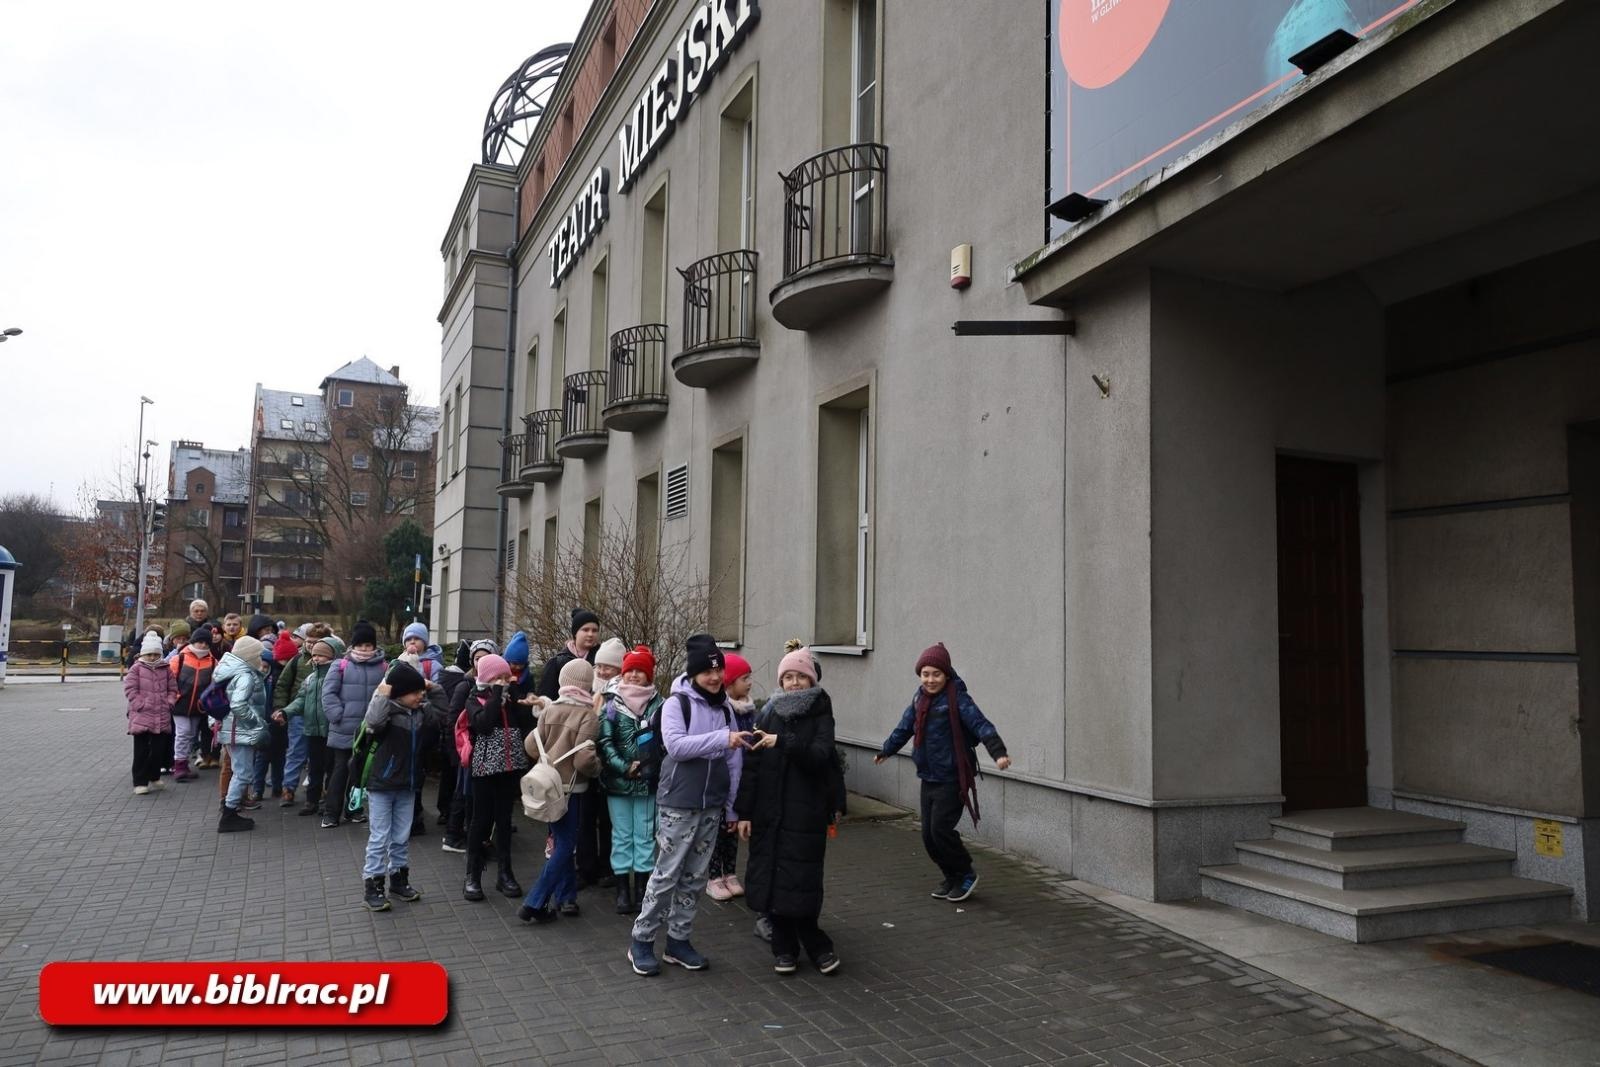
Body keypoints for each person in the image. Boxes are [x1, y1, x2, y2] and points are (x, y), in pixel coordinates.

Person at [627, 634, 746, 978]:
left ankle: (678, 942)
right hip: (679, 802)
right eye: (707, 671)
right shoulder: (676, 704)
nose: (714, 677)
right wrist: (722, 738)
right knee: (666, 874)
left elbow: (734, 760)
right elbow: (677, 746)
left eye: (718, 671)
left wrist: (733, 806)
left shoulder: (725, 707)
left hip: (711, 805)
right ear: (693, 673)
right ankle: (642, 941)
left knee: (695, 878)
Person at [874, 642, 1011, 902]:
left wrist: (999, 753)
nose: (930, 679)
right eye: (925, 674)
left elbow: (981, 725)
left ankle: (966, 874)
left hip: (952, 777)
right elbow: (905, 727)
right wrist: (886, 750)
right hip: (928, 775)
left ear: (946, 674)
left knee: (940, 830)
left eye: (936, 674)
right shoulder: (919, 699)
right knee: (928, 835)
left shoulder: (957, 698)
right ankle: (952, 876)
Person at [735, 646, 842, 975]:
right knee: (772, 879)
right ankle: (784, 949)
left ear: (811, 679)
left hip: (805, 812)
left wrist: (782, 742)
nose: (794, 682)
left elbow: (822, 757)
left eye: (800, 676)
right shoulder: (767, 712)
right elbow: (751, 767)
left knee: (803, 880)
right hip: (769, 814)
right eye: (788, 677)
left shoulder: (820, 710)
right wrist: (744, 813)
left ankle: (817, 944)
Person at [517, 658, 602, 924]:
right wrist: (598, 768)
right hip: (571, 789)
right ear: (588, 685)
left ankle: (566, 899)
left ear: (563, 683)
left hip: (547, 786)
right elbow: (584, 760)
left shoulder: (550, 710)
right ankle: (535, 901)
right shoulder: (587, 715)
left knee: (557, 842)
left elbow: (530, 745)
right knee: (566, 845)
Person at [463, 653, 536, 901]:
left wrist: (527, 703)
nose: (506, 680)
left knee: (504, 821)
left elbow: (525, 722)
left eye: (507, 676)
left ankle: (505, 873)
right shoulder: (475, 697)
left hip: (509, 767)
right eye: (500, 677)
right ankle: (473, 875)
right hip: (484, 769)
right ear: (487, 678)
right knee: (480, 821)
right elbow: (483, 724)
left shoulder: (511, 697)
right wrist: (496, 696)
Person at [598, 644, 664, 914]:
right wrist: (624, 767)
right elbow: (604, 741)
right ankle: (623, 889)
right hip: (618, 782)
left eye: (640, 671)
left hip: (648, 783)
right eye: (630, 671)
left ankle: (643, 889)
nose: (635, 675)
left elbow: (665, 741)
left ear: (649, 675)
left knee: (645, 835)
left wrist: (647, 766)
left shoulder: (660, 704)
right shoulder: (612, 705)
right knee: (622, 835)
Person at [360, 661, 430, 912]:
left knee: (401, 836)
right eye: (414, 691)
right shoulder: (386, 710)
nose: (420, 695)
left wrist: (432, 688)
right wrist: (382, 693)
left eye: (421, 691)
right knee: (379, 837)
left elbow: (443, 713)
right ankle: (373, 886)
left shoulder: (420, 712)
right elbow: (373, 722)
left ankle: (399, 880)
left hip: (408, 784)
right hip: (382, 784)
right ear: (399, 692)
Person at [321, 621, 388, 828]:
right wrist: (338, 715)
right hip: (344, 728)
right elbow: (328, 693)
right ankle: (331, 813)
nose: (365, 649)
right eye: (361, 645)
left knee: (361, 773)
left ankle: (354, 810)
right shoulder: (340, 665)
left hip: (370, 728)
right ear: (353, 645)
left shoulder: (384, 667)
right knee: (340, 771)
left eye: (369, 645)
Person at [215, 635, 279, 833]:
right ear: (250, 655)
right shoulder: (245, 675)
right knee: (243, 773)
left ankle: (230, 810)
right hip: (240, 731)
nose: (261, 659)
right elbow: (239, 705)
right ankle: (229, 814)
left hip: (230, 729)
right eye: (259, 655)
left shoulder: (228, 669)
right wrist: (257, 724)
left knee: (238, 770)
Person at [707, 652, 756, 901]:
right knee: (718, 828)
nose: (749, 683)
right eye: (744, 678)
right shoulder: (723, 709)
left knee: (734, 826)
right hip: (722, 777)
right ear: (729, 682)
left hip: (742, 778)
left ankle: (730, 873)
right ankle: (714, 876)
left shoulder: (749, 708)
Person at [441, 639, 496, 850]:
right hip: (467, 749)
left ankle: (471, 835)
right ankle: (453, 835)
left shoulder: (494, 687)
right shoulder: (465, 685)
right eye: (477, 658)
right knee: (463, 793)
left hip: (485, 752)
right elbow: (453, 719)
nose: (481, 662)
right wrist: (455, 751)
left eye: (485, 658)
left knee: (473, 797)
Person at [284, 634, 342, 816]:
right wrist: (286, 711)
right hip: (312, 729)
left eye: (321, 655)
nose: (316, 658)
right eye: (315, 655)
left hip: (332, 729)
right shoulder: (310, 678)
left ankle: (329, 800)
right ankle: (312, 800)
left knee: (332, 768)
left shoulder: (338, 677)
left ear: (333, 656)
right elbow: (300, 699)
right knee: (314, 767)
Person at [275, 622, 329, 806]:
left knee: (318, 755)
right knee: (296, 751)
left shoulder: (332, 664)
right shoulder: (297, 660)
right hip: (298, 714)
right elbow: (283, 685)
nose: (311, 645)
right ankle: (288, 788)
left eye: (316, 642)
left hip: (322, 715)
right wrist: (281, 708)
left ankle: (319, 787)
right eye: (309, 641)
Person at [124, 631, 177, 796]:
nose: (153, 657)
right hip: (142, 715)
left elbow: (173, 689)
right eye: (149, 654)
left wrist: (169, 702)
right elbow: (130, 689)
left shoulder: (166, 669)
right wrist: (141, 703)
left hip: (161, 715)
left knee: (158, 750)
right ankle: (140, 781)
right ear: (143, 654)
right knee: (141, 751)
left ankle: (154, 776)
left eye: (156, 654)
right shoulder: (136, 669)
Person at [168, 623, 215, 780]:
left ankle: (184, 763)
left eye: (206, 643)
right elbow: (169, 680)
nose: (202, 645)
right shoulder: (179, 658)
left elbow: (216, 683)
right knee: (183, 733)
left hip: (198, 706)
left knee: (191, 734)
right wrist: (175, 696)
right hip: (180, 704)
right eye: (199, 641)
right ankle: (179, 765)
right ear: (193, 641)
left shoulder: (213, 662)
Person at [536, 609, 600, 700]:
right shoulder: (557, 662)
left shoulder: (602, 662)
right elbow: (545, 698)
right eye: (585, 630)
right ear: (575, 633)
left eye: (594, 630)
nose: (590, 634)